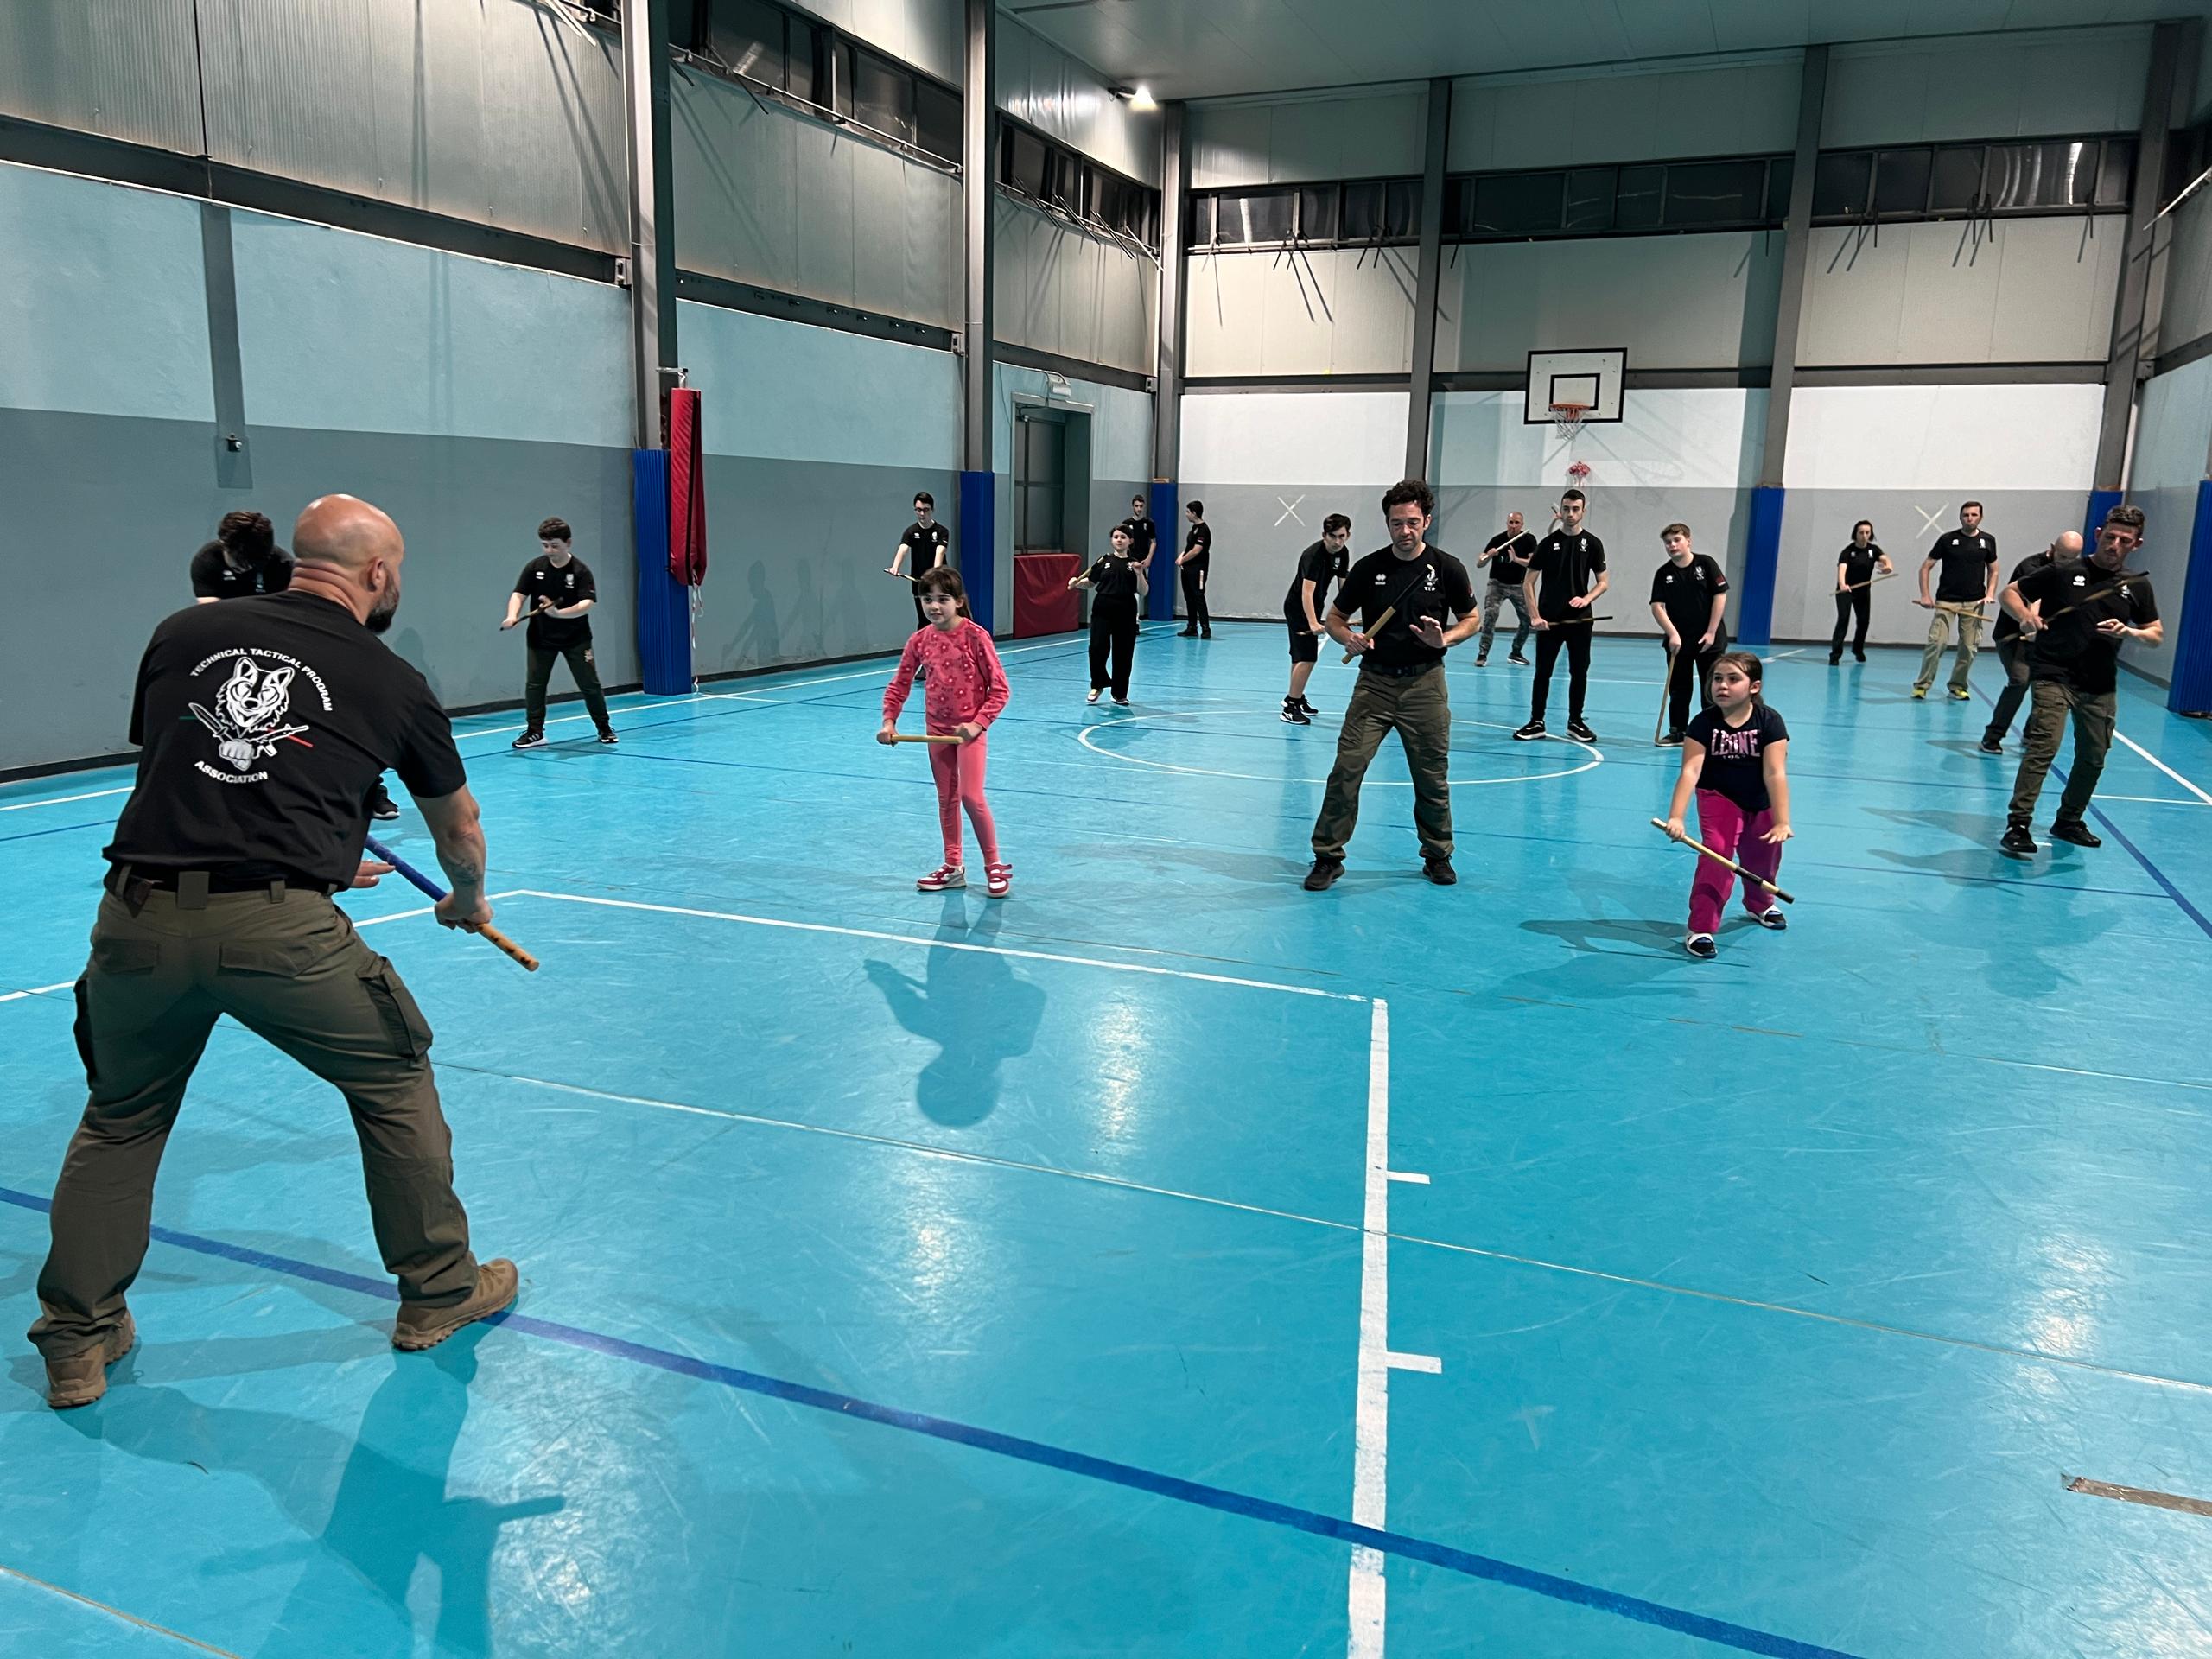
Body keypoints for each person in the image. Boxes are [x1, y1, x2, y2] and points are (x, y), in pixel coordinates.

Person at [29, 494, 517, 1410]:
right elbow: (460, 827)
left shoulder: (180, 634)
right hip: (281, 935)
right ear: (378, 575)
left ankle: (76, 1340)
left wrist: (321, 854)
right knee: (392, 1078)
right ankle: (438, 1291)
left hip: (136, 922)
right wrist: (464, 899)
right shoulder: (392, 677)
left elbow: (189, 770)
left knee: (121, 1119)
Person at [1303, 479, 1479, 891]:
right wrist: (1348, 637)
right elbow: (1334, 617)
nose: (1405, 530)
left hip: (1426, 686)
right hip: (1374, 685)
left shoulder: (1447, 567)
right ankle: (1328, 856)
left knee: (1431, 775)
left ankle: (1438, 854)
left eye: (1413, 522)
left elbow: (1473, 619)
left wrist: (1446, 639)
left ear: (1427, 521)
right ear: (1387, 524)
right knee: (1346, 769)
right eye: (1397, 523)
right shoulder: (1369, 568)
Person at [192, 512, 401, 821]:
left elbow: (296, 620)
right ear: (225, 545)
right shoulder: (207, 561)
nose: (247, 567)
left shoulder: (280, 566)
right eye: (241, 560)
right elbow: (209, 620)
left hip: (287, 654)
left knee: (339, 723)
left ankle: (372, 791)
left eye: (254, 561)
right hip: (236, 657)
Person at [1999, 505, 2162, 855]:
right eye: (2110, 536)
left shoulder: (2136, 586)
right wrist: (2026, 615)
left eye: (2124, 540)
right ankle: (2018, 824)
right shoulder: (2063, 570)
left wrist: (2130, 632)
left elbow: (2156, 634)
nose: (2115, 544)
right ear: (2098, 533)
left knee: (2094, 756)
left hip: (2100, 684)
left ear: (2137, 544)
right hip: (2054, 675)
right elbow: (2009, 593)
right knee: (2043, 747)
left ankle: (2069, 820)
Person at [880, 567, 1012, 897]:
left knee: (971, 796)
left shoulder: (975, 637)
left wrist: (977, 725)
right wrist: (889, 721)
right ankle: (953, 866)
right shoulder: (920, 640)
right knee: (947, 798)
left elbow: (1000, 690)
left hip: (970, 732)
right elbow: (900, 684)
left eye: (942, 599)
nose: (934, 606)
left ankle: (994, 864)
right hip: (936, 730)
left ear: (959, 601)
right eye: (928, 599)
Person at [1662, 651, 1791, 961]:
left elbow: (1775, 772)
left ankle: (1759, 904)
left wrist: (1782, 820)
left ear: (1754, 687)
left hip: (1759, 799)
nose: (1722, 685)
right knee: (1717, 855)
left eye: (1734, 679)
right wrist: (1676, 816)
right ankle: (1700, 927)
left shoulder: (1770, 721)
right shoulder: (1703, 723)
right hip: (1718, 796)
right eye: (1717, 679)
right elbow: (1690, 771)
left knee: (1763, 857)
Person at [503, 517, 615, 748]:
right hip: (540, 638)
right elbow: (519, 594)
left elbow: (587, 603)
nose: (550, 550)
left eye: (555, 545)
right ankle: (535, 732)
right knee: (535, 685)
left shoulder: (580, 571)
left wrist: (559, 614)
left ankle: (604, 727)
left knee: (589, 684)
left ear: (568, 543)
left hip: (576, 639)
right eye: (545, 545)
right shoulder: (535, 568)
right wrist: (513, 615)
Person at [1516, 489, 1608, 744]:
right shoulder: (1547, 544)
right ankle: (1536, 721)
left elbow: (1603, 582)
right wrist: (1535, 617)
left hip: (1580, 621)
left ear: (1583, 511)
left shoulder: (1593, 543)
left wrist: (1586, 599)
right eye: (1566, 509)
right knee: (1543, 671)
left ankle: (1575, 722)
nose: (1570, 514)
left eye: (1575, 509)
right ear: (1562, 511)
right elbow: (1528, 583)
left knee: (1579, 671)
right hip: (1549, 621)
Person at [1980, 531, 2082, 755]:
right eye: (2063, 557)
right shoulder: (2032, 566)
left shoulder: (2076, 572)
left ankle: (2030, 734)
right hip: (2012, 637)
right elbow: (2035, 599)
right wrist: (2029, 620)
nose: (2067, 563)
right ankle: (1992, 737)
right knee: (2020, 680)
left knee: (2047, 684)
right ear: (2053, 549)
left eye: (2072, 559)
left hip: (2045, 640)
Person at [1649, 523, 1730, 746]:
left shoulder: (1706, 564)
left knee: (1711, 688)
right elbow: (1657, 606)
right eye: (1668, 542)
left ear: (1688, 541)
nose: (1672, 545)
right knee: (1679, 688)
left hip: (1708, 641)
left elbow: (1720, 596)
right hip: (1679, 642)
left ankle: (1714, 732)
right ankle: (1678, 731)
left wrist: (1711, 632)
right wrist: (1672, 634)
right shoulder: (1664, 573)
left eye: (1677, 540)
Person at [1912, 502, 1998, 700]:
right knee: (1937, 643)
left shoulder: (1987, 541)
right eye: (1966, 515)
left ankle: (1958, 686)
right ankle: (1922, 685)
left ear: (1980, 518)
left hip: (1974, 603)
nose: (1970, 518)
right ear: (1960, 517)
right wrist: (1925, 595)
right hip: (1946, 602)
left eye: (1974, 515)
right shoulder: (1947, 540)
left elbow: (1994, 569)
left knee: (1968, 647)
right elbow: (1925, 567)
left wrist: (1990, 593)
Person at [1281, 514, 1352, 725]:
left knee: (1300, 656)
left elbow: (1344, 588)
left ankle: (1297, 697)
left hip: (1315, 604)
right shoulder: (1313, 555)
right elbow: (1306, 593)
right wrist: (1312, 622)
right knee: (1308, 657)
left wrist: (1343, 617)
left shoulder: (1343, 553)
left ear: (1348, 535)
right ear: (1324, 535)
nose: (1337, 541)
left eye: (1342, 536)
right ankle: (1290, 705)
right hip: (1298, 608)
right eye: (1333, 536)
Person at [1070, 524, 1148, 705]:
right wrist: (1077, 583)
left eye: (1123, 537)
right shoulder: (1103, 561)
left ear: (1130, 541)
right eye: (1115, 537)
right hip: (1102, 609)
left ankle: (1119, 693)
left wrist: (1139, 574)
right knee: (1097, 648)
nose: (1119, 540)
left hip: (1126, 611)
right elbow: (1090, 582)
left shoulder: (1134, 563)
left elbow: (1143, 591)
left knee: (1124, 653)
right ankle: (1098, 683)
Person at [1473, 510, 1537, 666]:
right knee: (1491, 615)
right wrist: (1488, 556)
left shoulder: (1529, 539)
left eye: (1517, 523)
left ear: (1522, 525)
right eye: (1511, 522)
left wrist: (1515, 559)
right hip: (1497, 584)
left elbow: (1533, 563)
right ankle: (1483, 653)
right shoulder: (1498, 540)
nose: (1513, 526)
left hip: (1518, 585)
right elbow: (1479, 563)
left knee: (1527, 620)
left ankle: (1516, 653)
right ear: (1507, 524)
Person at [191, 510, 294, 602]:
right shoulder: (207, 561)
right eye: (239, 561)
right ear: (224, 545)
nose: (245, 568)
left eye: (252, 562)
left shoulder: (283, 565)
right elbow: (210, 611)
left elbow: (287, 608)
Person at [1829, 520, 1891, 665]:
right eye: (1861, 532)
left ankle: (1858, 649)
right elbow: (1842, 569)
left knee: (1863, 622)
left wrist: (1889, 567)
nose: (1864, 535)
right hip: (1846, 590)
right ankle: (1835, 655)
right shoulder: (1847, 552)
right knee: (1843, 620)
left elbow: (1885, 558)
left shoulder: (1873, 550)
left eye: (1867, 532)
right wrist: (1843, 584)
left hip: (1863, 591)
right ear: (1855, 534)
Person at [887, 490, 950, 631]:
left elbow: (939, 552)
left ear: (932, 510)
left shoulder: (942, 531)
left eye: (926, 510)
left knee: (941, 620)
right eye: (919, 510)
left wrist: (935, 574)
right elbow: (903, 548)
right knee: (924, 622)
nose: (922, 514)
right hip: (919, 583)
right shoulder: (910, 532)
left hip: (939, 582)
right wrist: (895, 566)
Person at [1176, 501, 1213, 638]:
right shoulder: (1194, 529)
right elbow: (1190, 547)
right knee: (1189, 597)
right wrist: (1181, 557)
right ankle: (1192, 626)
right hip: (1187, 569)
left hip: (1198, 569)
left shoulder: (1203, 529)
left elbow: (1197, 550)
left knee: (1198, 596)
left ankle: (1206, 628)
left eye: (1188, 512)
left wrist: (1183, 559)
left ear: (1194, 513)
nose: (1186, 514)